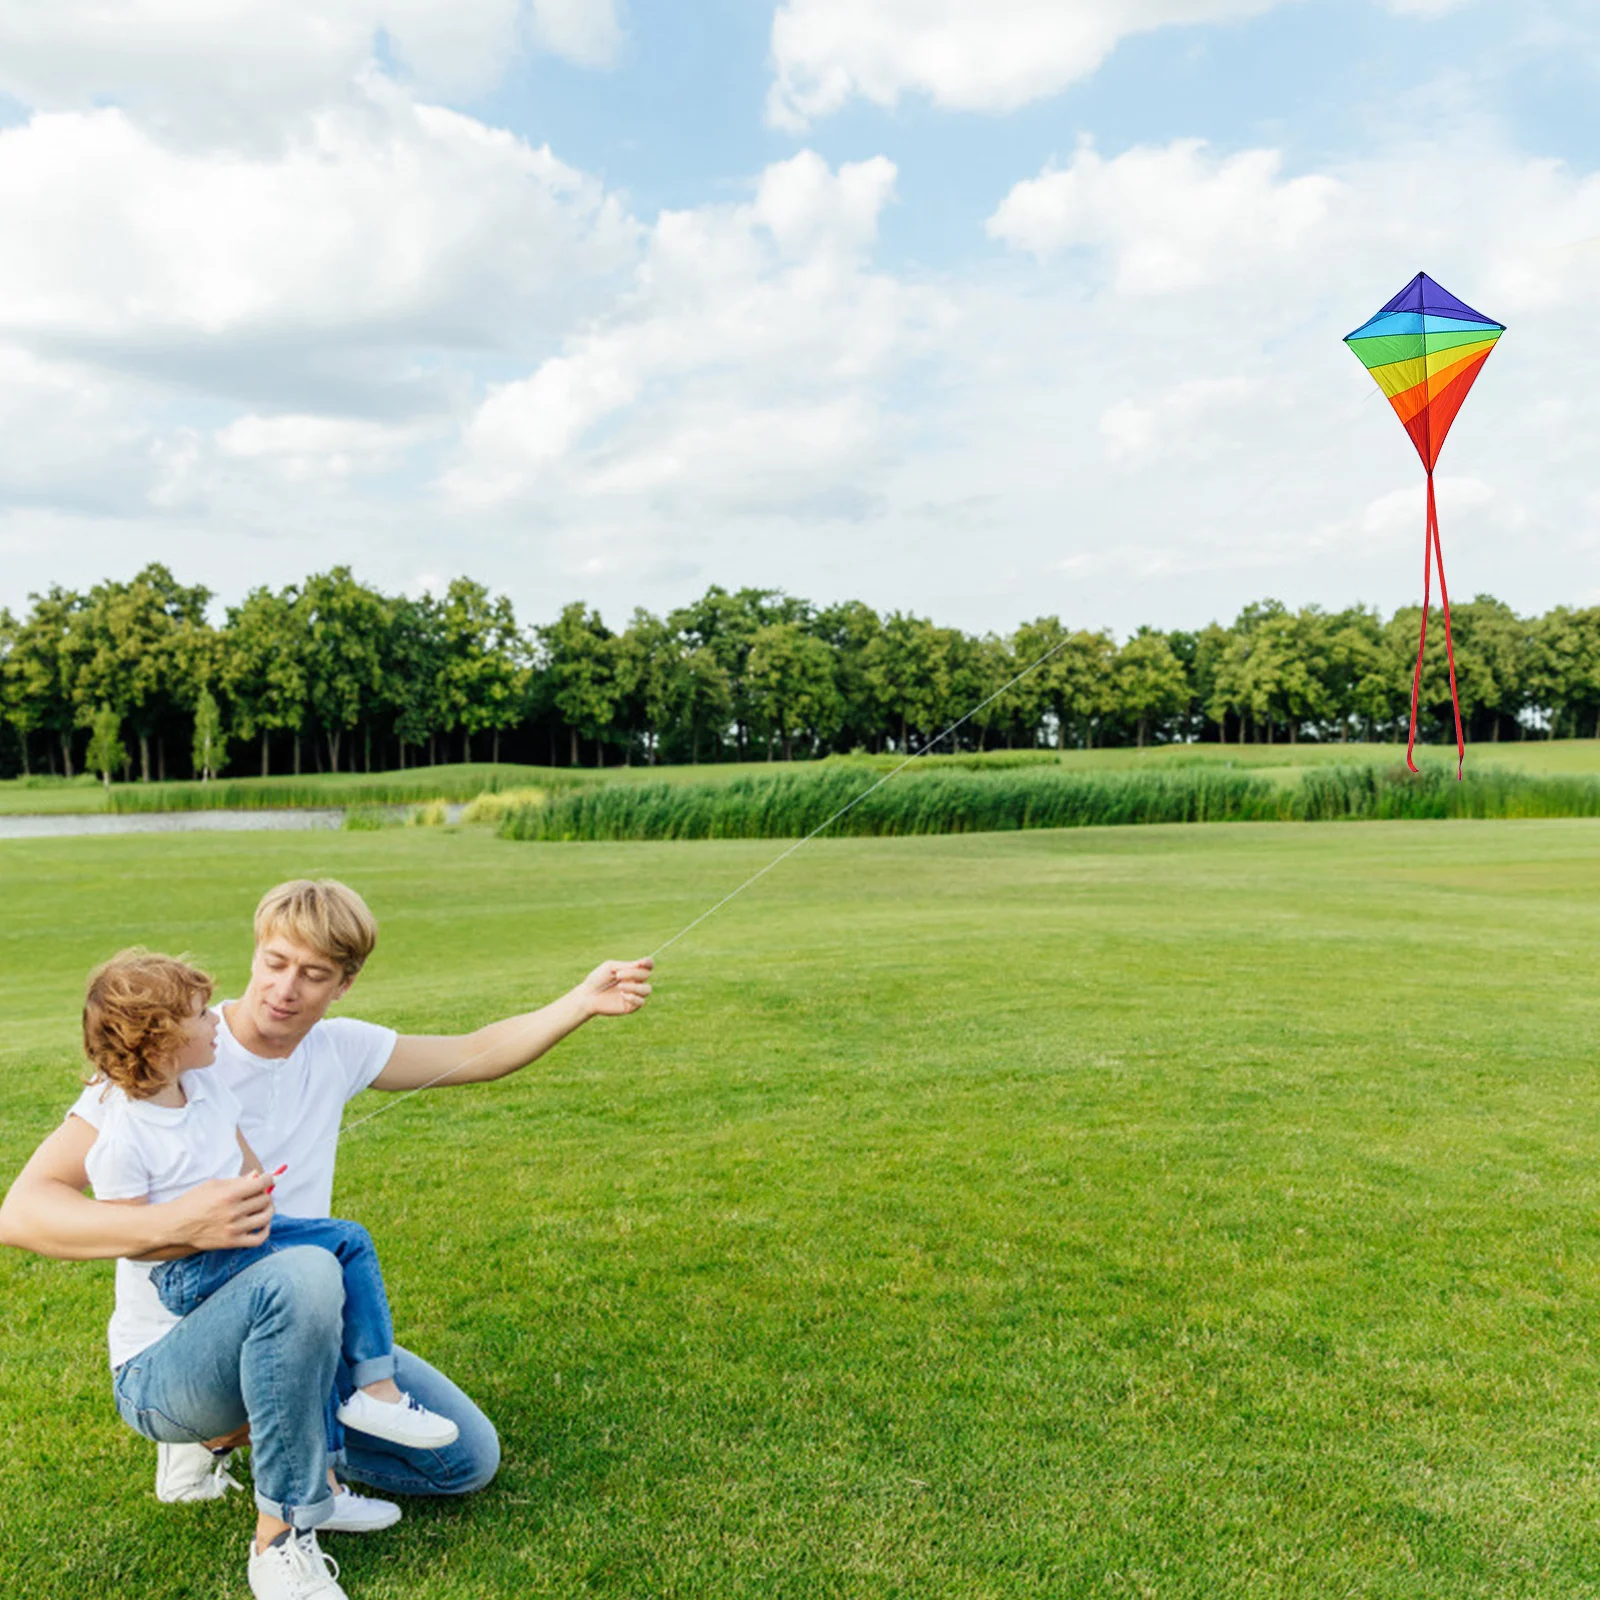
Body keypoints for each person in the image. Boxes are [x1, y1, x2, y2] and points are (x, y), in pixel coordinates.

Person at [0, 878, 653, 1600]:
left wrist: (580, 1002)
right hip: (168, 1362)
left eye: (313, 975)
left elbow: (475, 1050)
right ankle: (276, 1533)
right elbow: (22, 1212)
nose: (285, 988)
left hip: (295, 1317)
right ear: (256, 951)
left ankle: (278, 1435)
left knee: (467, 1460)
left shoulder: (339, 1050)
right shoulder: (169, 1051)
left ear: (343, 984)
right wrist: (179, 1225)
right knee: (309, 1271)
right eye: (276, 962)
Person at [81, 950, 461, 1466]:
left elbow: (244, 1161)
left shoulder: (204, 1088)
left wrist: (255, 1193)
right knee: (315, 1272)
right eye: (200, 1015)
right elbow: (130, 1238)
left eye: (313, 973)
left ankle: (339, 1450)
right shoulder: (122, 1133)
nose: (215, 1019)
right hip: (185, 1274)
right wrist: (204, 1225)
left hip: (234, 1242)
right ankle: (346, 1426)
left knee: (336, 1257)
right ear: (163, 1039)